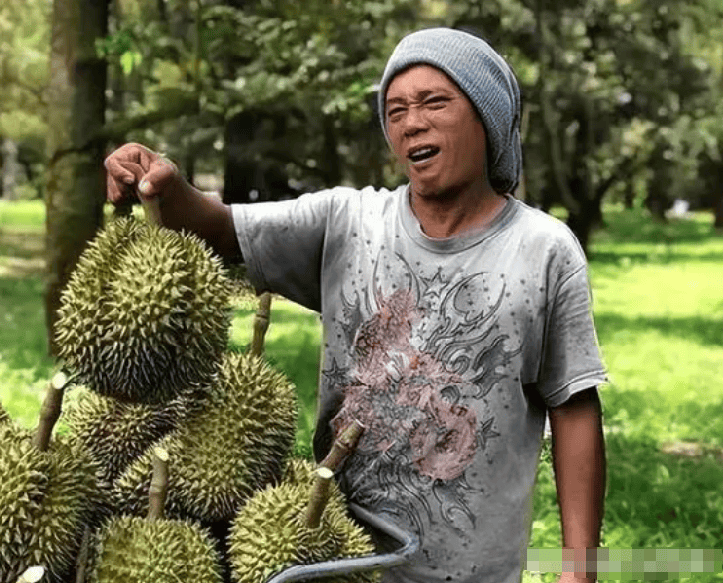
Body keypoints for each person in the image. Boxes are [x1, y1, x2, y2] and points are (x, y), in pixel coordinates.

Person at [104, 27, 607, 583]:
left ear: (487, 117)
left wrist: (580, 567)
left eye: (435, 102)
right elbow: (221, 230)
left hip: (473, 570)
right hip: (332, 556)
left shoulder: (545, 249)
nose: (411, 122)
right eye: (395, 110)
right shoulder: (346, 222)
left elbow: (572, 404)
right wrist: (164, 185)